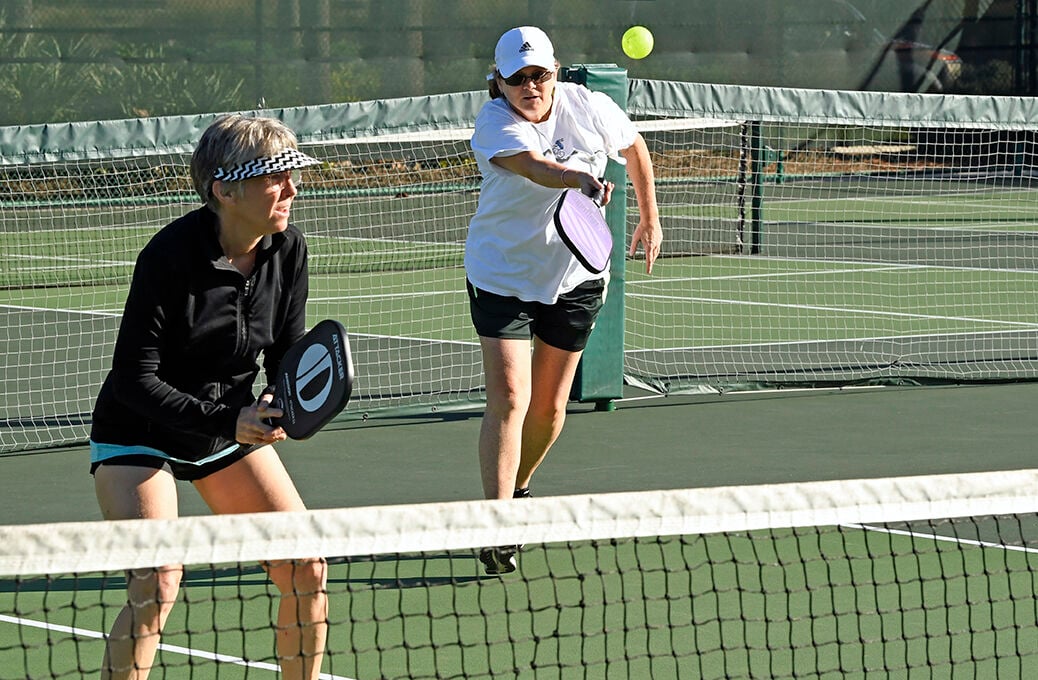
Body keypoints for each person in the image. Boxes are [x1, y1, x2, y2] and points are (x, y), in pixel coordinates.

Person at [89, 114, 328, 679]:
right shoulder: (167, 258)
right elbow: (134, 380)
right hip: (138, 428)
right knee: (157, 579)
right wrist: (230, 419)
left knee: (306, 568)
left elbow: (286, 351)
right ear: (224, 189)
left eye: (293, 176)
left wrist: (283, 398)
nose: (292, 190)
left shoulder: (287, 250)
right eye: (276, 177)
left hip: (226, 423)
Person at [466, 26, 662, 574]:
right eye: (517, 78)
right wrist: (577, 176)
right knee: (509, 396)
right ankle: (496, 520)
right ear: (499, 83)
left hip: (575, 276)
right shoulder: (494, 124)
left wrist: (649, 215)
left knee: (550, 407)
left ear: (556, 71)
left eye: (540, 74)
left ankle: (519, 489)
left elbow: (633, 147)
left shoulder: (588, 105)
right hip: (502, 272)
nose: (530, 86)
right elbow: (536, 168)